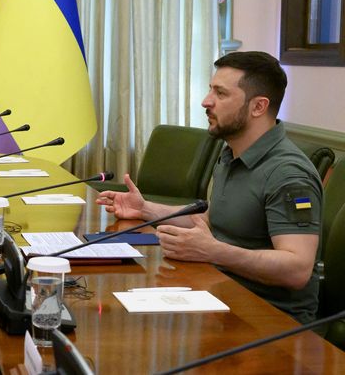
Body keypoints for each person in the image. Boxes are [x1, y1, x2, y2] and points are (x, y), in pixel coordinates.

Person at [97, 51, 322, 322]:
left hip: (269, 318)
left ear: (258, 107)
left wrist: (214, 251)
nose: (206, 102)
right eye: (210, 90)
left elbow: (297, 269)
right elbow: (212, 219)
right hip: (219, 292)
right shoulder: (232, 153)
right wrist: (146, 209)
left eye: (221, 93)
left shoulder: (288, 174)